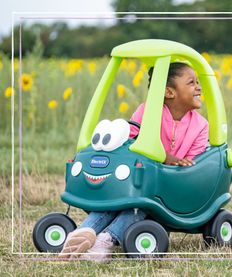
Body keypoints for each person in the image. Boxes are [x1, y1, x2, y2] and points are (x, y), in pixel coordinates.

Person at [59, 62, 209, 261]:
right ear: (169, 92)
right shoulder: (147, 112)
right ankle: (82, 235)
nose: (198, 87)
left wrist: (175, 163)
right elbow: (130, 143)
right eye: (192, 82)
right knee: (116, 202)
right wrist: (165, 158)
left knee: (139, 207)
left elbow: (191, 164)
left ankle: (105, 240)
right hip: (139, 181)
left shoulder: (200, 126)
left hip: (169, 189)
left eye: (198, 82)